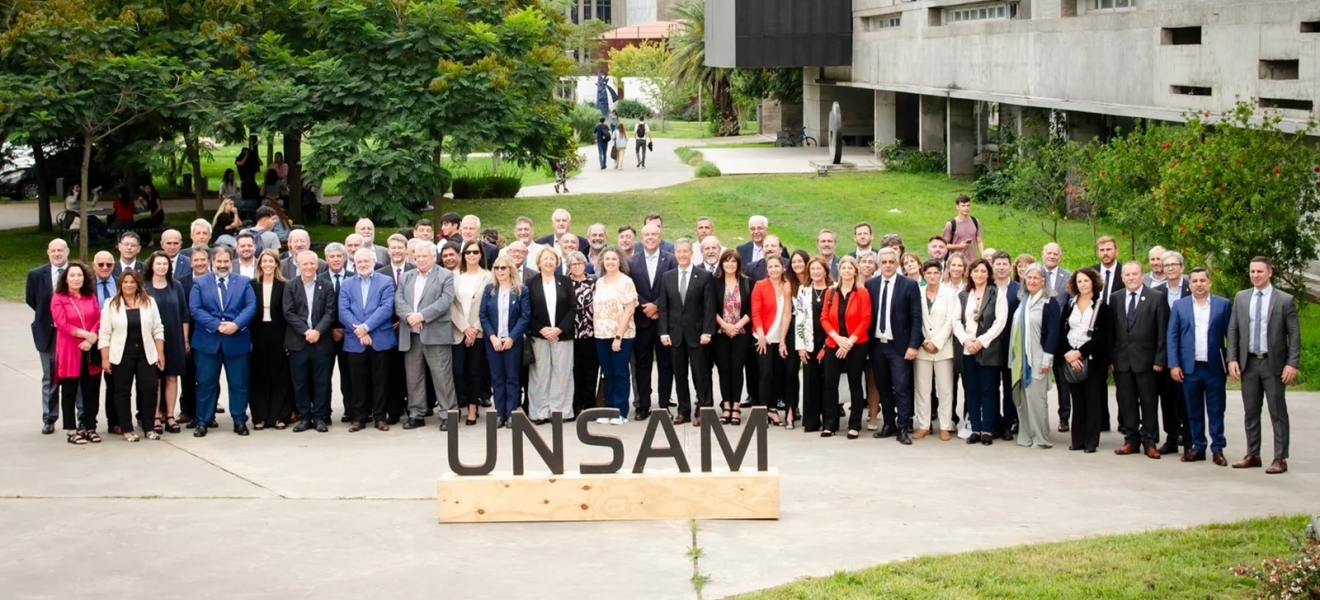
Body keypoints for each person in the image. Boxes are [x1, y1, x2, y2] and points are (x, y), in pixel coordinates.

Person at [1226, 256, 1300, 475]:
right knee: (1250, 411)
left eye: (1259, 271)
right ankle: (1253, 454)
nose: (1255, 275)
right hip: (1248, 363)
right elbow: (1233, 330)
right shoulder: (1241, 298)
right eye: (1252, 272)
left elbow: (1294, 334)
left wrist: (1292, 364)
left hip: (1273, 364)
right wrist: (1232, 358)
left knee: (1277, 411)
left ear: (1270, 272)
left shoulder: (1284, 300)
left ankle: (1280, 457)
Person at [189, 245, 257, 437]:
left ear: (231, 261)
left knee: (238, 383)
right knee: (205, 383)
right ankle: (203, 420)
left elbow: (251, 306)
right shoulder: (200, 283)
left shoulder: (243, 282)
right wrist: (217, 325)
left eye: (226, 261)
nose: (222, 265)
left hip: (237, 340)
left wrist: (236, 324)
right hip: (207, 342)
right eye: (219, 261)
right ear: (212, 262)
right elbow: (195, 308)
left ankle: (239, 420)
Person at [1167, 267, 1231, 465]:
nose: (1199, 284)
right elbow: (1173, 336)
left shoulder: (1223, 304)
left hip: (1214, 367)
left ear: (1209, 283)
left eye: (1203, 280)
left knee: (1216, 409)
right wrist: (1174, 364)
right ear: (1190, 284)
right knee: (1193, 409)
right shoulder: (1180, 306)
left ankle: (1218, 448)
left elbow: (1232, 335)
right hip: (1189, 368)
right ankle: (1198, 447)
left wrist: (1232, 361)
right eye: (1194, 281)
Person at [395, 241, 458, 430]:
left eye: (425, 256)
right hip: (411, 335)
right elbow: (399, 300)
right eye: (418, 256)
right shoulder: (406, 277)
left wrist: (421, 316)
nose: (420, 260)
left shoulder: (445, 275)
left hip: (435, 334)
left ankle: (449, 414)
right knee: (413, 378)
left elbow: (445, 301)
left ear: (434, 257)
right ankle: (416, 414)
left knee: (442, 377)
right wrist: (409, 317)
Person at [1110, 261, 1168, 459]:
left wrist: (1160, 359)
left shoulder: (1156, 298)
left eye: (1135, 274)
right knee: (1126, 402)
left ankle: (1150, 442)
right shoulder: (1115, 298)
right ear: (1122, 278)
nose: (1131, 278)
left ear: (1142, 276)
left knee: (1149, 402)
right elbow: (1113, 331)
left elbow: (1162, 331)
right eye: (1127, 275)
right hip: (1122, 360)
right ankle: (1131, 440)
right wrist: (1112, 358)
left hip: (1147, 360)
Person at [99, 270, 165, 442]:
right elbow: (104, 333)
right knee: (122, 392)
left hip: (146, 353)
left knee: (149, 389)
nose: (129, 285)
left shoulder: (149, 302)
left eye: (132, 282)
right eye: (125, 282)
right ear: (120, 284)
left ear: (138, 284)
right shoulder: (111, 304)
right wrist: (105, 359)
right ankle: (127, 428)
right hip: (121, 354)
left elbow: (158, 328)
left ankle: (149, 427)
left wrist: (160, 352)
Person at [866, 248, 922, 445]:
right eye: (884, 262)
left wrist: (913, 345)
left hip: (899, 346)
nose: (888, 265)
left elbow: (916, 318)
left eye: (891, 262)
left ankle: (903, 427)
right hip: (877, 346)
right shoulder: (870, 285)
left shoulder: (909, 285)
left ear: (897, 264)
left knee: (901, 387)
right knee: (883, 387)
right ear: (878, 264)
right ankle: (888, 423)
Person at [657, 238, 715, 426]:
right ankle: (684, 411)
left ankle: (703, 409)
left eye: (685, 251)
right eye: (678, 251)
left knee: (701, 374)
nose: (682, 255)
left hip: (697, 335)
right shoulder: (668, 277)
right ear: (675, 254)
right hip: (675, 335)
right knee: (679, 375)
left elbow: (709, 307)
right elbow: (664, 308)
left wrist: (707, 331)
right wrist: (664, 332)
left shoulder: (704, 276)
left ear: (692, 253)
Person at [339, 248, 398, 432]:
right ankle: (359, 417)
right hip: (355, 340)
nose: (363, 265)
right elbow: (343, 311)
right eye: (359, 262)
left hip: (380, 338)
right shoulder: (347, 284)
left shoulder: (386, 281)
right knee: (358, 381)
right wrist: (360, 331)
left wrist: (366, 327)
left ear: (373, 262)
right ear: (354, 265)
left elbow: (387, 308)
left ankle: (380, 417)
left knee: (381, 380)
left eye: (366, 261)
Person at [953, 258, 1008, 446]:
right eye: (976, 271)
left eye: (983, 271)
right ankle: (974, 428)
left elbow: (1000, 322)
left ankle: (987, 429)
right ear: (970, 273)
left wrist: (981, 341)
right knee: (972, 390)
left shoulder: (996, 294)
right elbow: (956, 321)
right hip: (967, 349)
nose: (979, 274)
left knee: (988, 390)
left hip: (988, 350)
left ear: (988, 273)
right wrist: (966, 341)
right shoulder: (963, 295)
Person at [1057, 268, 1112, 453]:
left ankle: (1091, 442)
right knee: (1077, 401)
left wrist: (1079, 352)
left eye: (1086, 281)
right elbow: (1063, 331)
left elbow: (1102, 337)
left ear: (1094, 282)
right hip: (1072, 359)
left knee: (1092, 401)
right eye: (1079, 281)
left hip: (1093, 360)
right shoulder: (1070, 304)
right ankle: (1077, 440)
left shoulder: (1102, 306)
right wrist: (1069, 354)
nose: (1083, 284)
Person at [283, 251, 337, 433]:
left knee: (322, 381)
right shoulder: (290, 285)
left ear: (317, 265)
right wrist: (306, 331)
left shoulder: (327, 285)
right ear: (298, 265)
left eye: (311, 264)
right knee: (300, 382)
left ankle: (319, 417)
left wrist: (317, 331)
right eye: (304, 264)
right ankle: (305, 417)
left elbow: (330, 312)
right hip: (298, 342)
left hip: (321, 342)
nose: (308, 267)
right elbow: (288, 312)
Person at [628, 223, 676, 420]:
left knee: (666, 365)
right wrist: (644, 307)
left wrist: (656, 305)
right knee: (642, 365)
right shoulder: (632, 261)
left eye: (653, 234)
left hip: (664, 321)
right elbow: (629, 289)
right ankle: (643, 407)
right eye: (646, 234)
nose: (650, 237)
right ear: (642, 237)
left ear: (659, 236)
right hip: (641, 321)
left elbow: (673, 286)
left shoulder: (670, 259)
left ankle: (664, 405)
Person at [1009, 264, 1060, 449]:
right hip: (1020, 359)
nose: (1031, 281)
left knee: (1037, 401)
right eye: (1028, 278)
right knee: (1022, 400)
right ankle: (1026, 436)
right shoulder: (1023, 300)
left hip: (1038, 359)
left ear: (1043, 281)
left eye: (1036, 278)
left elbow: (1053, 333)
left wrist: (1047, 360)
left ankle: (1041, 438)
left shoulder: (1049, 302)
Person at [821, 256, 872, 438]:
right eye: (844, 268)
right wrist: (837, 338)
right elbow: (824, 318)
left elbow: (866, 319)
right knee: (830, 383)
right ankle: (830, 423)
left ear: (855, 271)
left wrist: (849, 342)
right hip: (834, 343)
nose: (847, 271)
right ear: (839, 270)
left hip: (856, 344)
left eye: (850, 268)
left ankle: (855, 424)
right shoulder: (831, 292)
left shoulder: (862, 292)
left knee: (855, 383)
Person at [51, 261, 101, 444]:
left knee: (91, 390)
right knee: (69, 391)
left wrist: (91, 337)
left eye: (79, 275)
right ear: (65, 278)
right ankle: (72, 430)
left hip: (90, 348)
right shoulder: (58, 297)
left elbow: (98, 317)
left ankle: (90, 427)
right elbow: (61, 324)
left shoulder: (90, 296)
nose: (76, 278)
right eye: (72, 275)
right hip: (70, 349)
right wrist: (85, 335)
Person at [479, 255, 531, 429]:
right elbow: (484, 315)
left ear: (511, 269)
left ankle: (511, 413)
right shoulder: (489, 290)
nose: (500, 271)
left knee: (512, 378)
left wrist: (511, 337)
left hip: (512, 342)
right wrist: (492, 336)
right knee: (497, 378)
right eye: (497, 268)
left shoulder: (521, 290)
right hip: (493, 341)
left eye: (503, 268)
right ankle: (499, 413)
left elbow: (525, 317)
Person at [27, 239, 72, 435]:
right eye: (53, 251)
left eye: (60, 250)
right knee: (50, 375)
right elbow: (32, 300)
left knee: (75, 374)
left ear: (67, 251)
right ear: (48, 253)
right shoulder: (36, 275)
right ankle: (49, 418)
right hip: (48, 332)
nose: (57, 254)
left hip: (73, 333)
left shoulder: (78, 272)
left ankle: (80, 416)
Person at [527, 248, 576, 423]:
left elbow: (572, 308)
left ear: (557, 262)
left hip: (562, 335)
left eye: (552, 259)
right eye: (545, 258)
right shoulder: (531, 283)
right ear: (539, 262)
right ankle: (540, 411)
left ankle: (561, 411)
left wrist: (559, 329)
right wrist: (542, 329)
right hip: (539, 336)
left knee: (562, 373)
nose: (548, 262)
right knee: (540, 374)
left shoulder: (565, 281)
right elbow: (528, 311)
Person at [592, 247, 638, 425]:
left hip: (621, 335)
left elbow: (629, 310)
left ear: (620, 261)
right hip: (601, 334)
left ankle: (621, 412)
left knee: (620, 373)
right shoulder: (600, 282)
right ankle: (609, 410)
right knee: (607, 373)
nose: (610, 262)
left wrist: (618, 336)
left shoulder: (626, 281)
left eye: (614, 259)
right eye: (607, 259)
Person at [144, 252, 188, 435]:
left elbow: (184, 312)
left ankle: (170, 415)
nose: (162, 267)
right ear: (152, 266)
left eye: (165, 264)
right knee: (155, 379)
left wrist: (185, 339)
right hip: (151, 339)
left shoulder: (175, 285)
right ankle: (155, 416)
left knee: (171, 377)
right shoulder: (144, 287)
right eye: (158, 263)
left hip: (174, 337)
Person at [1151, 249, 1190, 455]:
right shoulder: (1157, 292)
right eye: (1167, 266)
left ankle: (1190, 439)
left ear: (1182, 267)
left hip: (1188, 353)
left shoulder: (1192, 289)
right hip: (1165, 353)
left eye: (1174, 265)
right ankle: (1172, 438)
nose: (1171, 269)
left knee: (1186, 398)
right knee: (1167, 398)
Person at [248, 249, 290, 430]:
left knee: (280, 375)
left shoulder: (284, 285)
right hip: (257, 334)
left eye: (271, 262)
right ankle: (259, 416)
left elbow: (287, 313)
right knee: (258, 376)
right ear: (259, 265)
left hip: (279, 333)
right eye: (264, 262)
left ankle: (280, 416)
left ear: (276, 264)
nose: (267, 265)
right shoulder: (252, 285)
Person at [751, 254, 795, 427]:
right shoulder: (760, 285)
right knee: (765, 374)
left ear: (782, 267)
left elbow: (787, 315)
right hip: (763, 337)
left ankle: (772, 409)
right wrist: (761, 336)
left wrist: (782, 340)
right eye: (770, 267)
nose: (774, 269)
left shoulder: (787, 286)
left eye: (777, 266)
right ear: (767, 270)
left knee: (778, 374)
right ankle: (762, 410)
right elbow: (756, 312)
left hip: (780, 338)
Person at [451, 240, 492, 425]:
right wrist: (465, 328)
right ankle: (459, 404)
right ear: (463, 255)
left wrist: (474, 328)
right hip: (458, 331)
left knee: (475, 371)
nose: (472, 255)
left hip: (479, 331)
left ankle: (473, 408)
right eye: (468, 252)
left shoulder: (489, 276)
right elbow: (450, 305)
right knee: (457, 370)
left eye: (475, 252)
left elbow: (489, 306)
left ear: (481, 254)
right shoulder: (453, 276)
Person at [916, 260, 957, 441]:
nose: (932, 276)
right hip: (922, 348)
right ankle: (924, 425)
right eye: (928, 273)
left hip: (943, 348)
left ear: (941, 274)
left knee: (945, 388)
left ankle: (945, 425)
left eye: (935, 273)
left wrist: (937, 342)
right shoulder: (917, 293)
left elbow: (951, 320)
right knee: (923, 388)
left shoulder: (949, 294)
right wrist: (925, 341)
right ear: (924, 275)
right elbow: (915, 319)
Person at [711, 249, 752, 425]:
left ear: (738, 264)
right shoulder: (715, 283)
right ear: (722, 264)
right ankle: (726, 405)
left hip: (741, 333)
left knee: (736, 368)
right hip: (721, 333)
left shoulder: (747, 282)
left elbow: (752, 308)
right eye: (726, 261)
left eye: (733, 261)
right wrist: (725, 325)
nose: (730, 264)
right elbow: (710, 307)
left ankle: (736, 406)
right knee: (723, 369)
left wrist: (737, 325)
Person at [795, 256, 832, 433]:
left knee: (828, 382)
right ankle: (811, 420)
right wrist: (800, 346)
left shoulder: (834, 290)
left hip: (829, 342)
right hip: (809, 342)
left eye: (819, 268)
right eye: (813, 269)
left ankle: (829, 422)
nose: (816, 272)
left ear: (825, 270)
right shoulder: (803, 291)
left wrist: (827, 345)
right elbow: (799, 320)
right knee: (810, 381)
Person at [318, 243, 353, 424]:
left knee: (349, 375)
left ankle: (351, 410)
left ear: (344, 258)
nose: (336, 259)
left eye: (339, 256)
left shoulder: (353, 278)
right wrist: (330, 329)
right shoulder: (318, 279)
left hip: (350, 333)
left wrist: (347, 327)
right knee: (324, 376)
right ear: (326, 259)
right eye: (332, 257)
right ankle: (324, 412)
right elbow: (317, 309)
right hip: (326, 335)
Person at [565, 251, 600, 416]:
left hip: (591, 333)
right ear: (568, 267)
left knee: (590, 371)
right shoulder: (564, 283)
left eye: (580, 263)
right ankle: (575, 405)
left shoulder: (595, 282)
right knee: (574, 371)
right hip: (570, 334)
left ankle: (589, 405)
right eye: (573, 264)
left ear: (585, 265)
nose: (577, 266)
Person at [942, 194, 983, 262]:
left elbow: (979, 240)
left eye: (968, 205)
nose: (966, 208)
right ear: (957, 207)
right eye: (963, 206)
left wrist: (983, 254)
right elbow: (944, 245)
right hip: (956, 262)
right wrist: (959, 246)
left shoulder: (975, 221)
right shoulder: (951, 224)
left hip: (971, 262)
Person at [1091, 235, 1121, 305]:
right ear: (1098, 253)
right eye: (1102, 250)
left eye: (1108, 249)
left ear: (1116, 251)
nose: (1105, 253)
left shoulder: (1125, 272)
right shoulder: (1091, 272)